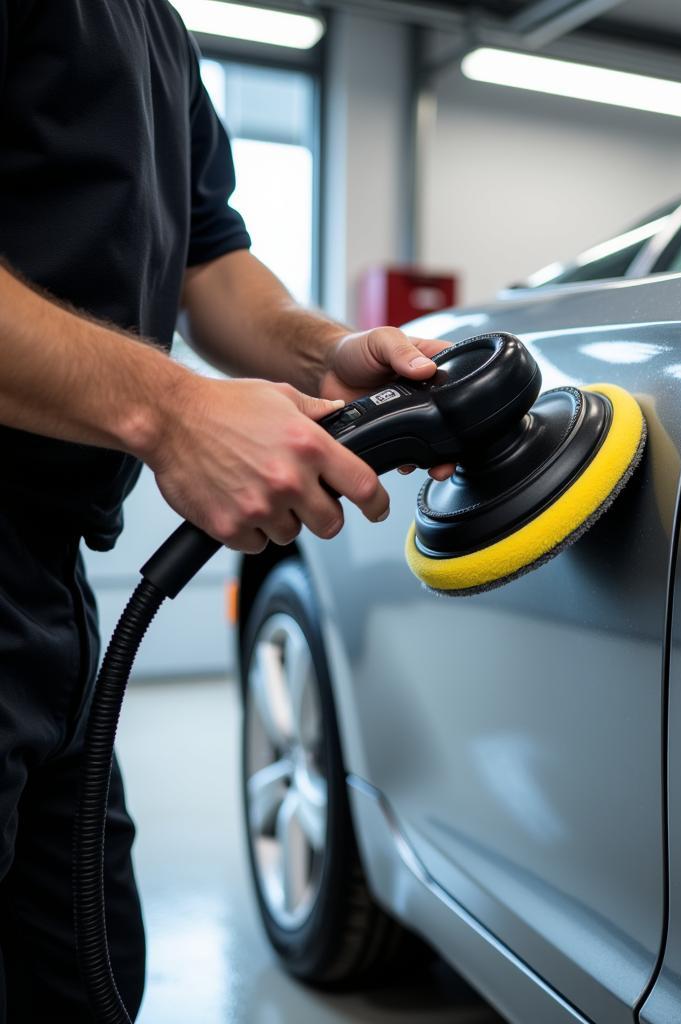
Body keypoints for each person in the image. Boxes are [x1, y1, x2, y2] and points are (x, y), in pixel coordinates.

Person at [0, 2, 450, 1018]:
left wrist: (330, 351)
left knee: (84, 971)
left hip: (48, 582)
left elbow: (212, 267)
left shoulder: (153, 25)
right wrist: (171, 411)